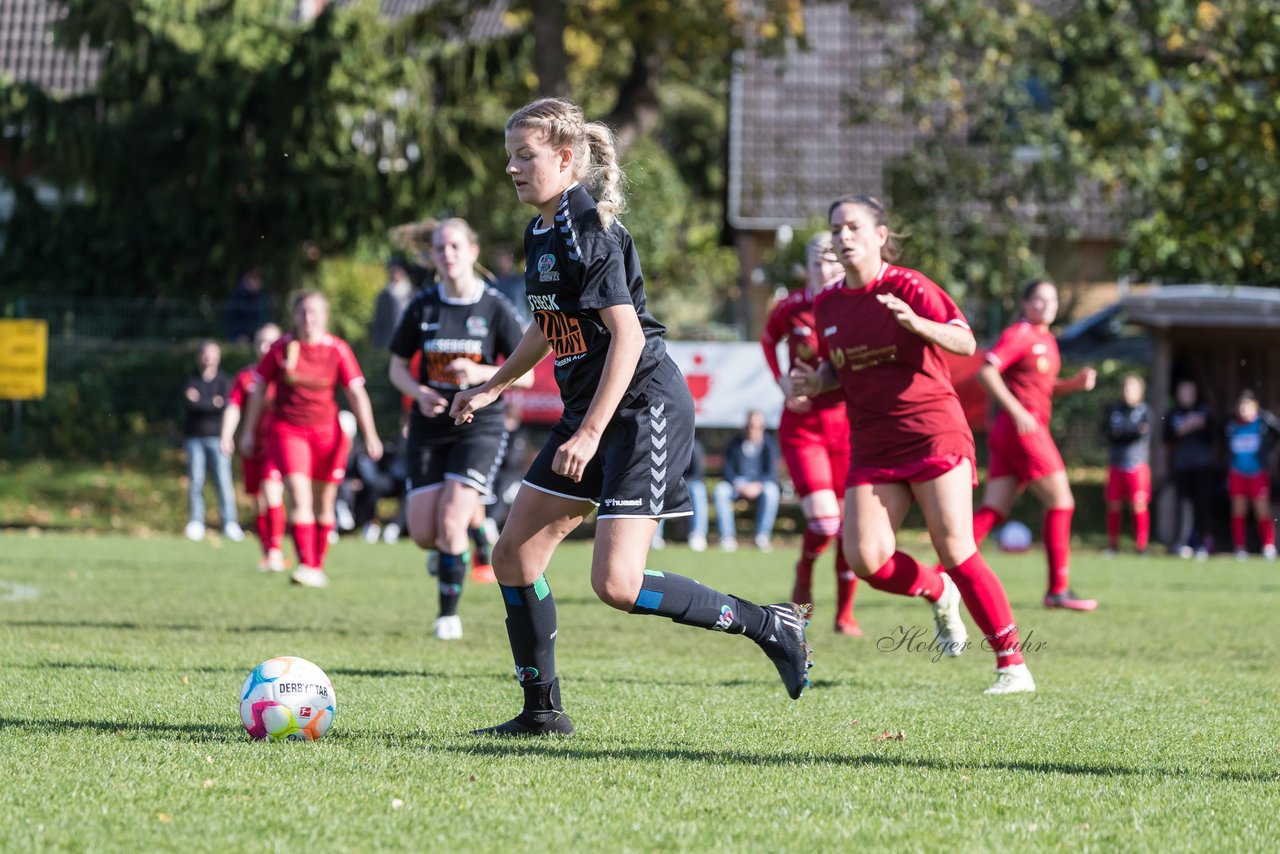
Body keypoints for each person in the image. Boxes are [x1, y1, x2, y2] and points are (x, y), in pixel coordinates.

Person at [450, 97, 813, 736]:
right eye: (509, 155)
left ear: (564, 159)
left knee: (617, 583)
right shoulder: (540, 229)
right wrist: (494, 385)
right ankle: (543, 714)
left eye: (524, 155)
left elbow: (630, 338)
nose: (512, 168)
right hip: (592, 411)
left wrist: (590, 432)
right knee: (512, 556)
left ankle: (770, 623)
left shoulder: (589, 229)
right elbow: (547, 323)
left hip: (643, 409)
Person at [790, 194, 1034, 694]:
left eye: (854, 227)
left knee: (956, 547)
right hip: (874, 444)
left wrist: (917, 323)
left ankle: (1012, 665)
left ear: (881, 235)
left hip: (932, 432)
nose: (844, 237)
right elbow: (840, 368)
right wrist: (816, 383)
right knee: (867, 559)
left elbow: (965, 341)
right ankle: (937, 589)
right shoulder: (828, 303)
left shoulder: (909, 285)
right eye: (837, 229)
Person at [388, 217, 530, 640]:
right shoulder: (423, 306)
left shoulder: (495, 307)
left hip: (478, 425)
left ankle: (447, 615)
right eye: (438, 248)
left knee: (451, 523)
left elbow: (524, 376)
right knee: (424, 533)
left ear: (472, 251)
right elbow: (396, 368)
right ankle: (463, 542)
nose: (446, 255)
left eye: (454, 247)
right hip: (430, 425)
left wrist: (479, 371)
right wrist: (419, 392)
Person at [237, 291, 383, 588]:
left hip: (328, 435)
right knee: (299, 495)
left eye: (314, 312)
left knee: (325, 502)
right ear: (295, 316)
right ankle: (305, 563)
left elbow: (356, 393)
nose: (308, 318)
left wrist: (371, 435)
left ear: (325, 316)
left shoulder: (338, 349)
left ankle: (317, 565)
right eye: (303, 312)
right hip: (288, 431)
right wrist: (249, 430)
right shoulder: (282, 347)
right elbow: (258, 390)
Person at [970, 279, 1098, 611]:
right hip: (1022, 430)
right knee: (1062, 501)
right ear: (1025, 303)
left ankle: (941, 574)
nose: (1047, 305)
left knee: (994, 510)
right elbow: (986, 372)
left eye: (1052, 300)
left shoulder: (1046, 339)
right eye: (1039, 300)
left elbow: (1041, 386)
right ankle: (1058, 589)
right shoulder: (1020, 334)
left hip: (1011, 430)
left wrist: (1073, 384)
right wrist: (1015, 410)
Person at [761, 232, 860, 635]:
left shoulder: (856, 305)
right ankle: (804, 576)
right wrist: (783, 382)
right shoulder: (792, 306)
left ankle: (845, 614)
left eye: (834, 261)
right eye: (819, 261)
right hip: (803, 427)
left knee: (849, 525)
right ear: (809, 266)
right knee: (824, 522)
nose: (827, 268)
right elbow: (768, 341)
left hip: (850, 427)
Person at [221, 323, 286, 570]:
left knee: (272, 494)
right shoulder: (246, 377)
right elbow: (233, 406)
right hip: (252, 445)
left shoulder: (286, 376)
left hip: (278, 445)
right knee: (259, 501)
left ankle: (276, 551)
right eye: (261, 342)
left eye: (271, 342)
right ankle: (267, 551)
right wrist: (227, 435)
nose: (265, 347)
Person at [182, 340, 242, 543]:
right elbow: (191, 405)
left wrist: (202, 402)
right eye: (205, 353)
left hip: (218, 439)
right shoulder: (191, 380)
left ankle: (230, 523)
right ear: (199, 356)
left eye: (213, 353)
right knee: (196, 481)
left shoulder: (225, 381)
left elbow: (223, 406)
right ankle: (197, 522)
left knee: (223, 482)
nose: (209, 357)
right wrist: (212, 402)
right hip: (194, 439)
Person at [713, 410, 782, 552]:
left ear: (763, 427)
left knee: (772, 491)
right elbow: (727, 469)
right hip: (737, 485)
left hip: (760, 485)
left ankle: (762, 536)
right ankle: (727, 537)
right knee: (720, 491)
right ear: (746, 426)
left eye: (758, 426)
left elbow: (771, 473)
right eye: (752, 425)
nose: (755, 429)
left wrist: (757, 485)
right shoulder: (735, 443)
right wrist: (739, 484)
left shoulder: (769, 445)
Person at [1224, 389, 1279, 560]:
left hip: (1257, 473)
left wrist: (1267, 418)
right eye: (1240, 406)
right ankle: (1239, 546)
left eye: (1247, 406)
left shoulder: (1262, 425)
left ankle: (1268, 545)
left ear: (1255, 407)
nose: (1243, 410)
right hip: (1237, 473)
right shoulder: (1232, 426)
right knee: (1238, 510)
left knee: (1262, 510)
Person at [1164, 379, 1215, 560]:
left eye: (1189, 392)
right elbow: (1166, 437)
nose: (1186, 395)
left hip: (1201, 466)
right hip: (1181, 466)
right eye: (1183, 392)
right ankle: (1182, 543)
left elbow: (1214, 436)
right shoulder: (1173, 413)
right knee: (1182, 505)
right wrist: (1182, 429)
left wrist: (1201, 426)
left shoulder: (1204, 412)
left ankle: (1203, 544)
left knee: (1202, 504)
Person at [1103, 373, 1152, 555]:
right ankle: (1112, 545)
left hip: (1137, 465)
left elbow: (1139, 433)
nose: (1127, 391)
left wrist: (1123, 431)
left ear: (1141, 391)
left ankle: (1141, 546)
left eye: (1132, 388)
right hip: (1116, 464)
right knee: (1113, 504)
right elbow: (1109, 432)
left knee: (1138, 504)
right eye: (1125, 388)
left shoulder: (1145, 411)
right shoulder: (1115, 410)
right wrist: (1128, 431)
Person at [651, 438, 709, 552]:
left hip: (688, 483)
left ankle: (698, 534)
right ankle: (654, 535)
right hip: (667, 481)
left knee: (698, 489)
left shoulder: (695, 445)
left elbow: (698, 474)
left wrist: (680, 482)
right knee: (658, 487)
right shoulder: (664, 444)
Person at [369, 258, 415, 349]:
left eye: (397, 271)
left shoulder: (412, 294)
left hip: (407, 341)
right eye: (392, 271)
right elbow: (378, 320)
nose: (395, 274)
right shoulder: (384, 294)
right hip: (387, 341)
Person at [224, 267, 270, 344]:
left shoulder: (262, 296)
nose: (258, 281)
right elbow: (231, 320)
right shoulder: (237, 297)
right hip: (242, 338)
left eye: (258, 278)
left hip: (259, 336)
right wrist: (238, 335)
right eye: (254, 278)